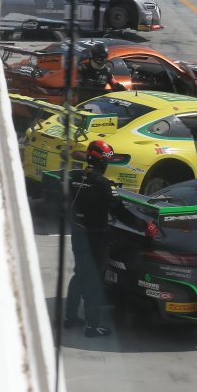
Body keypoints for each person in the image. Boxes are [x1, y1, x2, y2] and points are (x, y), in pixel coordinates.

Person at [63, 141, 118, 337]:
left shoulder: (74, 178)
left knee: (79, 274)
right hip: (96, 238)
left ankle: (70, 317)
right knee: (94, 281)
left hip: (77, 234)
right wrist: (144, 225)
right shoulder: (104, 184)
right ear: (103, 162)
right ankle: (93, 326)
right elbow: (118, 210)